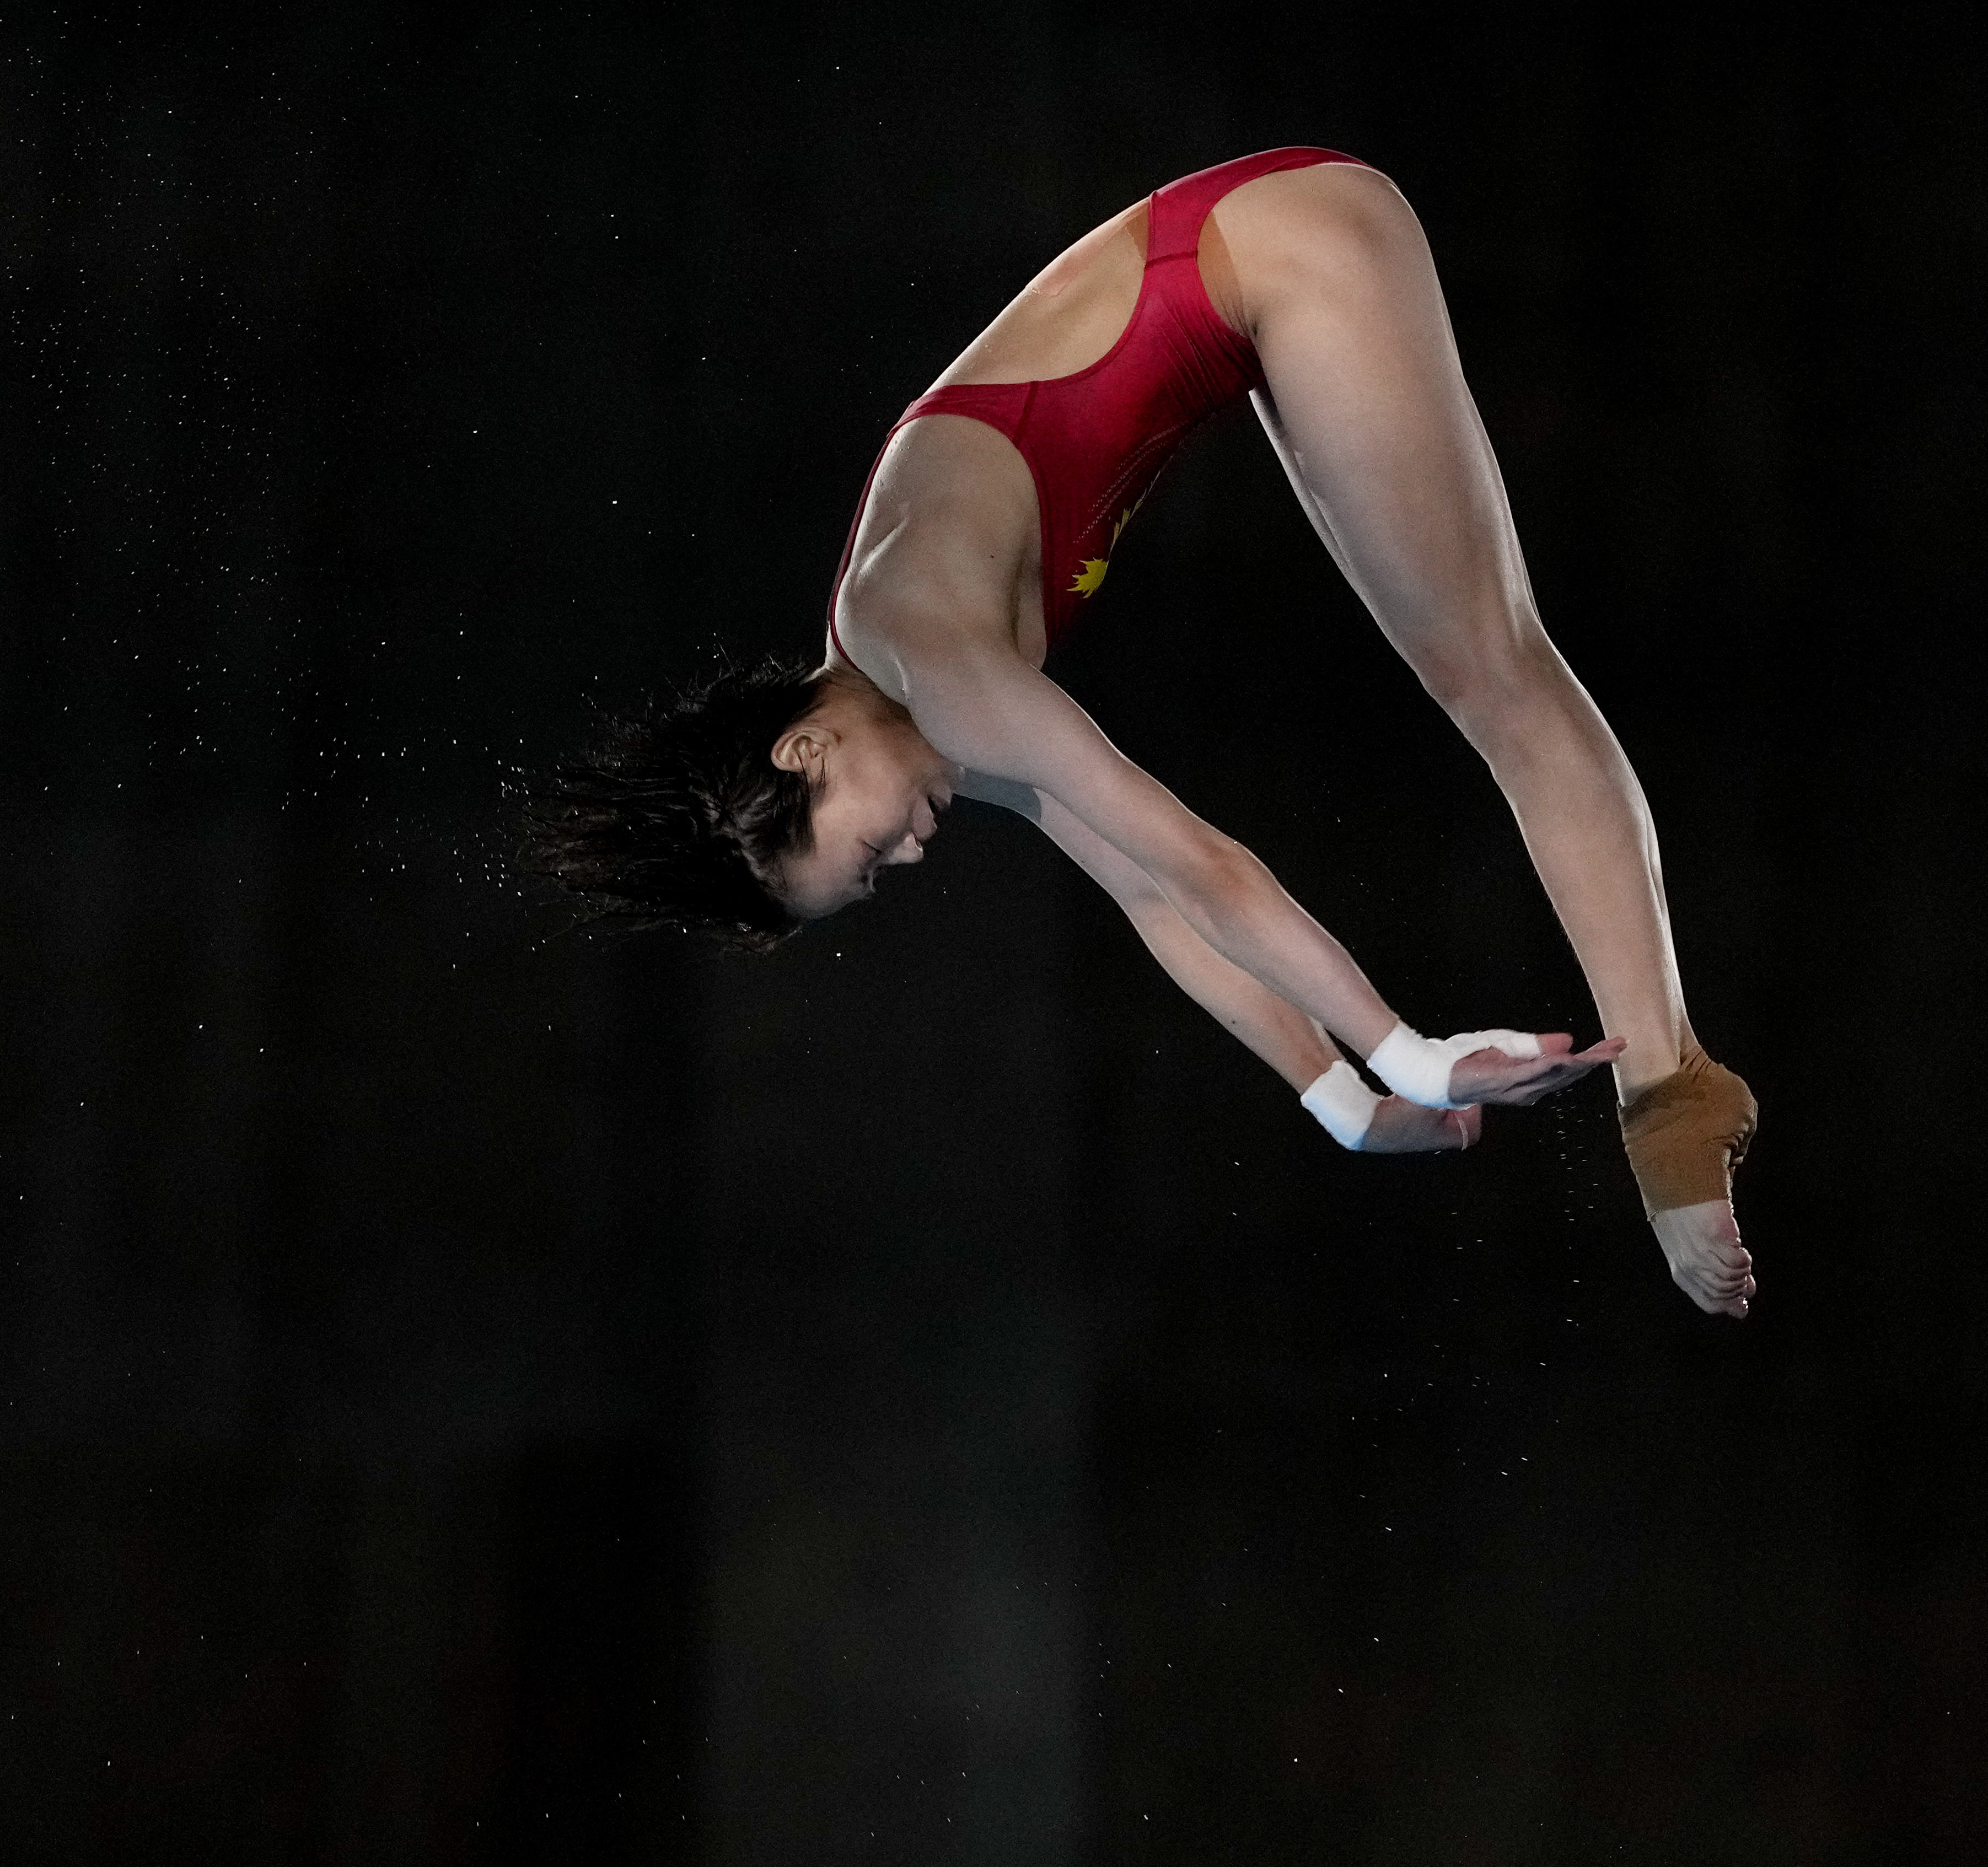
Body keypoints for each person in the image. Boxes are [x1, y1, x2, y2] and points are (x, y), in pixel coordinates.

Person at [528, 148, 1757, 1318]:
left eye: (861, 858)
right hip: (1253, 291)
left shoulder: (931, 655)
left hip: (1281, 248)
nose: (905, 860)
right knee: (1474, 681)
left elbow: (1200, 859)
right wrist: (1340, 1098)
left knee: (1494, 677)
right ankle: (1658, 1092)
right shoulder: (913, 696)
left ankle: (1670, 1100)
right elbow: (1160, 903)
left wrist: (1415, 1058)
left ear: (807, 752)